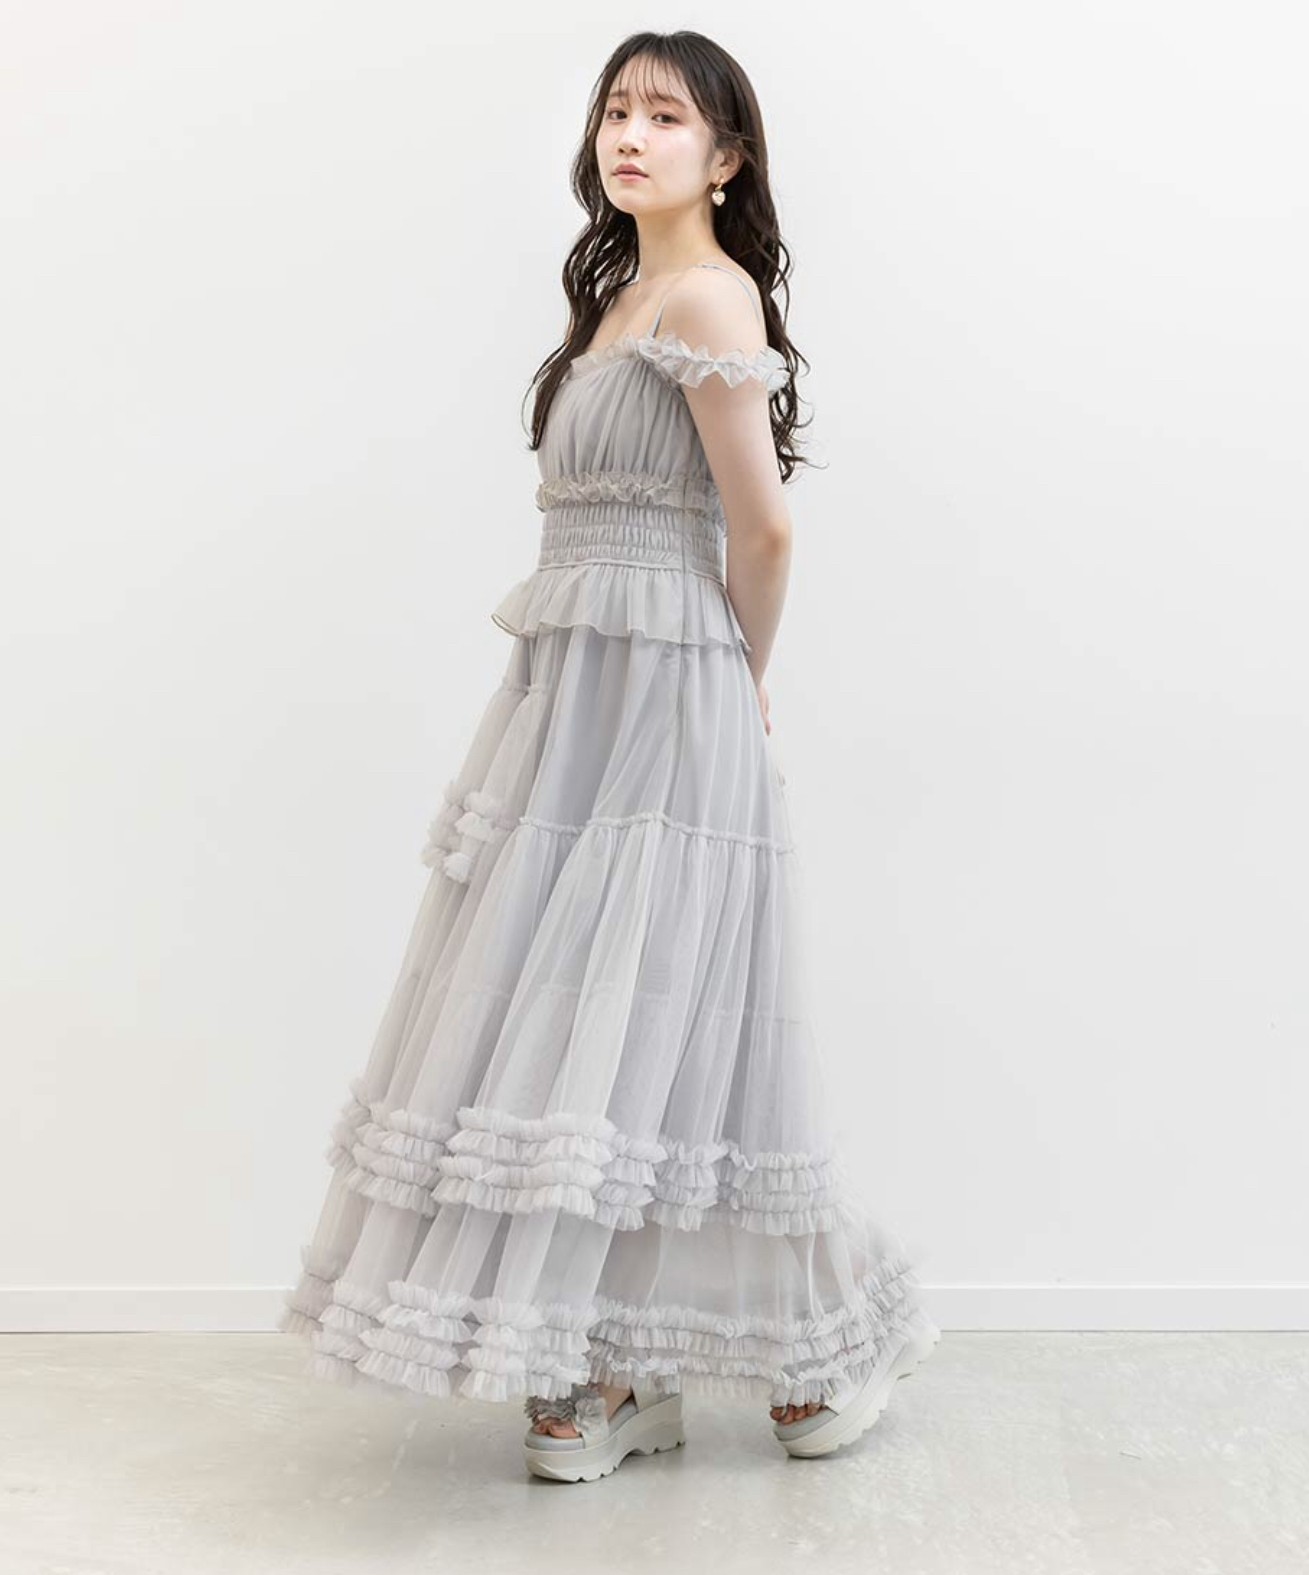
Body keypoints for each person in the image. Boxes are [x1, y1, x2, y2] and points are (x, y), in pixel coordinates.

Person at [280, 30, 939, 1482]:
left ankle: (808, 1346)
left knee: (661, 1011)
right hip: (574, 690)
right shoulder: (618, 298)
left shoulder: (707, 293)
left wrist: (736, 684)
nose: (629, 135)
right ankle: (617, 1359)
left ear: (728, 156)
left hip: (668, 687)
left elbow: (762, 528)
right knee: (576, 1006)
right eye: (616, 111)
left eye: (666, 116)